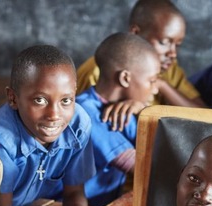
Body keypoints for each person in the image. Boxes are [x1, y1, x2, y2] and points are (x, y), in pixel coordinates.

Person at [0, 44, 106, 206]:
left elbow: (74, 192)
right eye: (40, 100)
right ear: (13, 98)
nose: (54, 115)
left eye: (65, 101)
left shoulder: (78, 124)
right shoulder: (0, 138)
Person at [77, 33, 160, 206]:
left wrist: (145, 108)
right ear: (125, 78)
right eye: (150, 81)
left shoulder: (124, 111)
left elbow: (159, 148)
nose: (154, 88)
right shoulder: (86, 113)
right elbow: (146, 165)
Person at [76, 0, 203, 131]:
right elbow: (90, 125)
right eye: (164, 42)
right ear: (135, 32)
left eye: (177, 45)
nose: (173, 53)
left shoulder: (169, 69)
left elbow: (206, 117)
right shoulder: (97, 71)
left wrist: (161, 85)